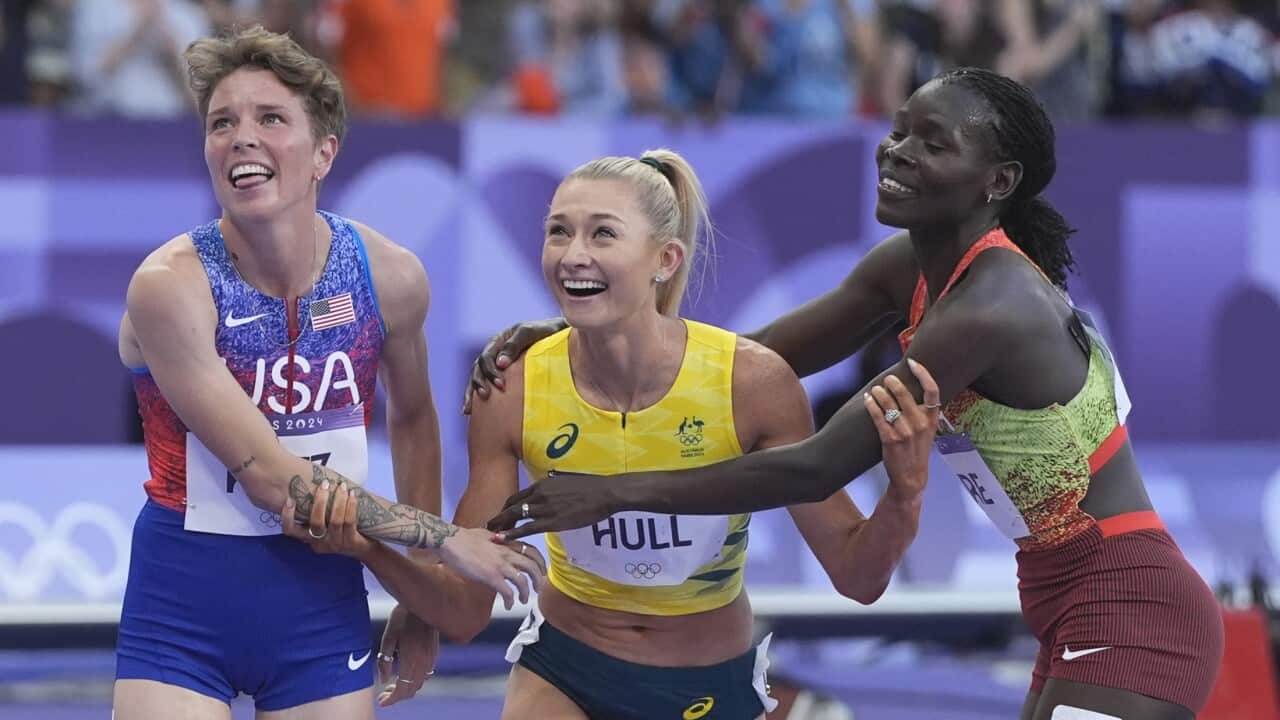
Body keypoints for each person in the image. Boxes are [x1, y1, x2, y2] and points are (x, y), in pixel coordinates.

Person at [476, 68, 1225, 720]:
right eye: (900, 131)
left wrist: (612, 492)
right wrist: (591, 319)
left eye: (934, 143)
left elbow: (817, 467)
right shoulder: (911, 266)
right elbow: (743, 363)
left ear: (998, 182)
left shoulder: (993, 308)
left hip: (1133, 601)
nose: (898, 151)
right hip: (1064, 593)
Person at [292, 149, 940, 720]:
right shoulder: (512, 386)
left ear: (665, 259)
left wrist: (905, 495)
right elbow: (464, 610)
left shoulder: (752, 383)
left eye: (603, 234)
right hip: (568, 669)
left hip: (710, 680)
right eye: (557, 232)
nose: (573, 254)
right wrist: (370, 548)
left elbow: (857, 576)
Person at [114, 25, 542, 720]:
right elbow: (269, 476)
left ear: (323, 154)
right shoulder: (170, 287)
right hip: (182, 606)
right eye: (222, 123)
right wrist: (442, 543)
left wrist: (420, 594)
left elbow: (412, 418)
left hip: (319, 609)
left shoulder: (390, 277)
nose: (241, 137)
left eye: (270, 118)